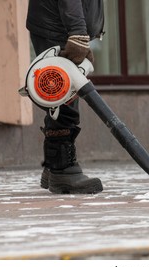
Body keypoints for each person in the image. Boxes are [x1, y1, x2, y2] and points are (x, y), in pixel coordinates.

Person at [26, 0, 105, 194]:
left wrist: (82, 34)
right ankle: (63, 171)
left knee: (62, 96)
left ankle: (54, 164)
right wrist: (77, 32)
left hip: (61, 24)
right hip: (57, 25)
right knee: (61, 98)